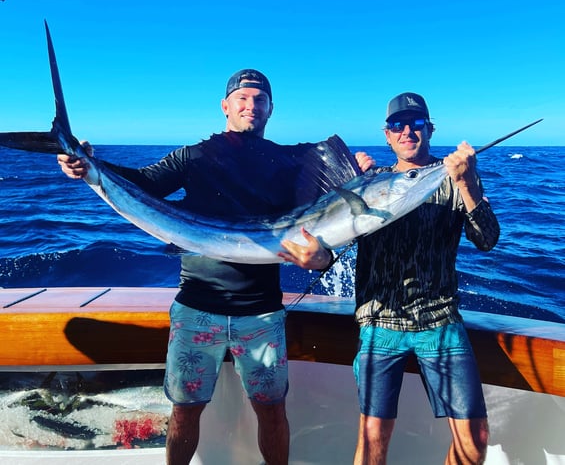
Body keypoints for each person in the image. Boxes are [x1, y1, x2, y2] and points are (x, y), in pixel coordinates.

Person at [57, 69, 335, 465]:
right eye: (242, 98)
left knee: (272, 410)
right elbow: (142, 183)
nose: (250, 106)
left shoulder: (288, 163)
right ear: (225, 106)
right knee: (184, 411)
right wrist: (87, 165)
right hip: (196, 309)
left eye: (260, 100)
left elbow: (320, 235)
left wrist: (323, 258)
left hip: (261, 312)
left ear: (271, 110)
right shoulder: (195, 155)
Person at [351, 92, 500, 464]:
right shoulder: (371, 182)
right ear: (386, 135)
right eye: (397, 125)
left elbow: (487, 240)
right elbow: (326, 241)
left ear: (429, 130)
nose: (407, 131)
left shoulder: (453, 179)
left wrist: (468, 183)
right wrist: (348, 183)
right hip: (379, 320)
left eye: (416, 124)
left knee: (475, 440)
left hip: (440, 320)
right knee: (372, 440)